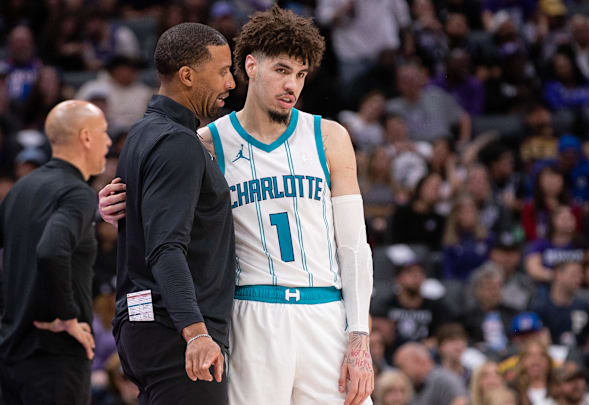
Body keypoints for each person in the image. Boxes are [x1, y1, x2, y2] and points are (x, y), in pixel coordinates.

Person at [101, 7, 374, 405]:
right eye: (282, 70)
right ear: (250, 66)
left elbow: (353, 245)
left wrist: (359, 335)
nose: (292, 86)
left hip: (324, 311)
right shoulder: (205, 141)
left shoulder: (329, 136)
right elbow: (162, 205)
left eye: (300, 75)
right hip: (250, 313)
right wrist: (111, 203)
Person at [112, 23, 237, 404]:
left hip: (147, 324)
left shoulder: (142, 134)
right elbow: (166, 247)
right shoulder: (178, 144)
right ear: (187, 76)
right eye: (223, 71)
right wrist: (196, 332)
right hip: (175, 333)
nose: (231, 83)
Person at [0, 100, 112, 404]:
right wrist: (66, 316)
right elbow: (51, 250)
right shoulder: (77, 192)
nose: (109, 141)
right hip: (56, 358)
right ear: (86, 137)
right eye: (104, 132)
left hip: (11, 352)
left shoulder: (19, 191)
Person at [393, 342, 468, 405]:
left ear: (417, 360)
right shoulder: (410, 384)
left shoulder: (445, 380)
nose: (399, 373)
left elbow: (461, 401)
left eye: (401, 367)